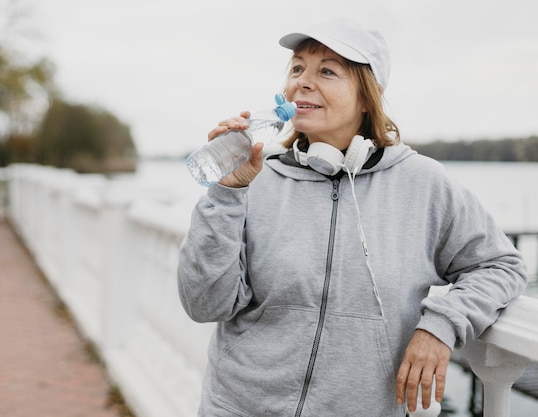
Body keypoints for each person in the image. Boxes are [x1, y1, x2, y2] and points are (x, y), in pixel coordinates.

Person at [177, 18, 528, 417]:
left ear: (367, 97)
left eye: (327, 70)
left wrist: (440, 326)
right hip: (237, 407)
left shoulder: (423, 184)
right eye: (297, 68)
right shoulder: (255, 180)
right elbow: (204, 305)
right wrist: (226, 193)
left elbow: (501, 265)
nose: (303, 82)